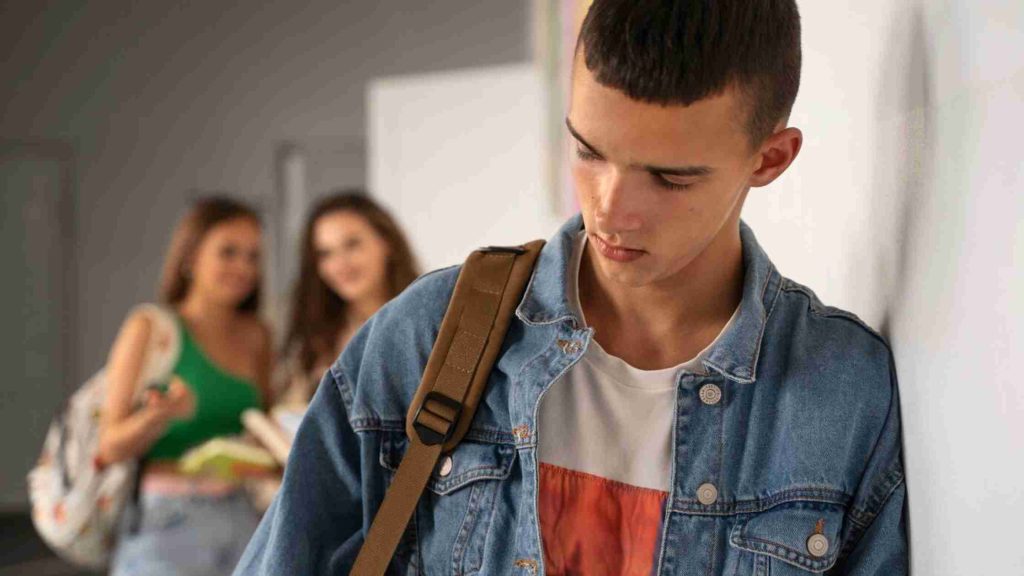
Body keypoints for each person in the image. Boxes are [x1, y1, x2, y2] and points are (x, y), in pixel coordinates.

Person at [235, 1, 908, 574]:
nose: (611, 210)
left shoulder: (843, 393)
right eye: (588, 150)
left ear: (770, 159)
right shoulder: (426, 337)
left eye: (669, 178)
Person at [99, 196, 274, 575]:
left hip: (242, 516)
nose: (243, 267)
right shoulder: (150, 328)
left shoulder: (258, 336)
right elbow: (110, 445)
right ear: (190, 257)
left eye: (252, 256)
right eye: (228, 252)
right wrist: (156, 417)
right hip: (165, 521)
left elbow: (262, 429)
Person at [276, 190, 420, 405]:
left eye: (352, 245)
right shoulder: (316, 338)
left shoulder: (429, 322)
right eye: (325, 253)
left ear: (387, 242)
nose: (340, 265)